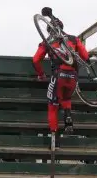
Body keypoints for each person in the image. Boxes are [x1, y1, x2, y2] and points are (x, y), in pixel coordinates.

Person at [32, 7, 90, 137]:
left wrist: (41, 74)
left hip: (58, 76)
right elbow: (85, 56)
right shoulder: (74, 39)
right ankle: (68, 118)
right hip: (73, 77)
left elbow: (35, 60)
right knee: (66, 97)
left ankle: (54, 137)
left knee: (53, 105)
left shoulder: (47, 42)